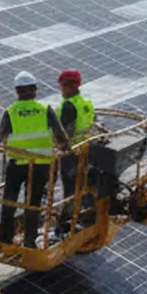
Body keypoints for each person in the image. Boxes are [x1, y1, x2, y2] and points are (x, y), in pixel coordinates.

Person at [0, 72, 70, 248]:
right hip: (40, 165)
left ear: (17, 91)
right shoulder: (45, 110)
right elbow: (61, 136)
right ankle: (29, 241)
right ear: (35, 90)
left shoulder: (10, 112)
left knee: (9, 201)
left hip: (17, 165)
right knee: (33, 203)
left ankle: (5, 238)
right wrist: (67, 149)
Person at [53, 69, 98, 239]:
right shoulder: (85, 102)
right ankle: (86, 215)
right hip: (86, 150)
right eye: (61, 85)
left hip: (72, 154)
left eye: (65, 85)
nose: (62, 89)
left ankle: (65, 224)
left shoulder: (69, 105)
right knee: (83, 186)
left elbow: (66, 133)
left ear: (73, 85)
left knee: (70, 190)